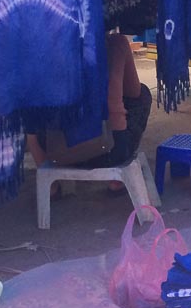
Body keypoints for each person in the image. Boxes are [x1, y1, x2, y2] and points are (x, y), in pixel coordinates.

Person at [27, 32, 152, 193]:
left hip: (57, 153)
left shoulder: (42, 48)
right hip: (110, 153)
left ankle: (51, 187)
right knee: (142, 95)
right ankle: (116, 179)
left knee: (30, 120)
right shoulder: (115, 43)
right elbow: (134, 93)